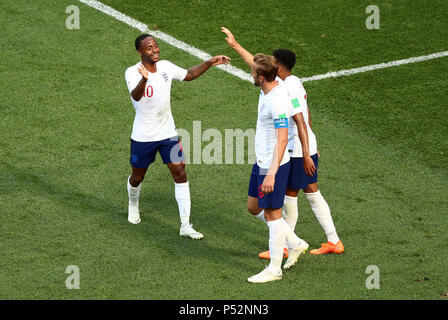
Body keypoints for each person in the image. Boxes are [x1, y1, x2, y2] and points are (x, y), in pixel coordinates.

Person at [222, 27, 344, 255]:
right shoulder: (282, 80)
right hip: (292, 147)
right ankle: (290, 244)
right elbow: (256, 65)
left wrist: (307, 153)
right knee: (293, 195)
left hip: (297, 148)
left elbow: (300, 122)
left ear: (277, 65)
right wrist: (236, 45)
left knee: (306, 192)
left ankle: (323, 241)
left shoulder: (289, 87)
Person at [124, 34, 230, 239]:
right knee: (138, 177)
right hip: (143, 136)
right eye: (149, 48)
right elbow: (136, 96)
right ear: (139, 52)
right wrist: (144, 80)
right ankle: (133, 204)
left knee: (180, 171)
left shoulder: (165, 66)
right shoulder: (132, 72)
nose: (155, 50)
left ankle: (185, 225)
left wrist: (209, 62)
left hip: (167, 134)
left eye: (155, 46)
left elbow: (189, 74)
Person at [244, 53, 309, 283]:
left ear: (261, 78)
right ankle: (295, 242)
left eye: (253, 73)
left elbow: (282, 140)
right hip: (261, 162)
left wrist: (271, 174)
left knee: (272, 215)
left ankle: (274, 269)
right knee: (254, 207)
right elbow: (256, 64)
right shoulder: (273, 83)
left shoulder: (277, 102)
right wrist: (235, 45)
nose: (250, 74)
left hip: (273, 167)